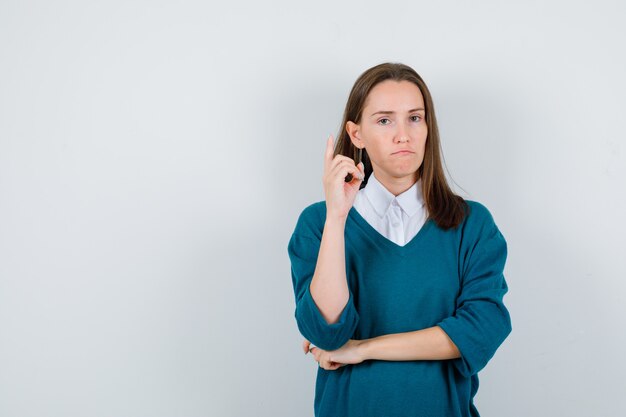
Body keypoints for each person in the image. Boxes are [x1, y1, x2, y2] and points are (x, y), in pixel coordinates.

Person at [287, 62, 512, 417]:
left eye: (415, 118)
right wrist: (337, 217)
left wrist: (363, 348)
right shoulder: (318, 224)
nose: (403, 135)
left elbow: (480, 330)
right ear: (356, 134)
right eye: (384, 120)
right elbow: (328, 332)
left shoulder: (472, 225)